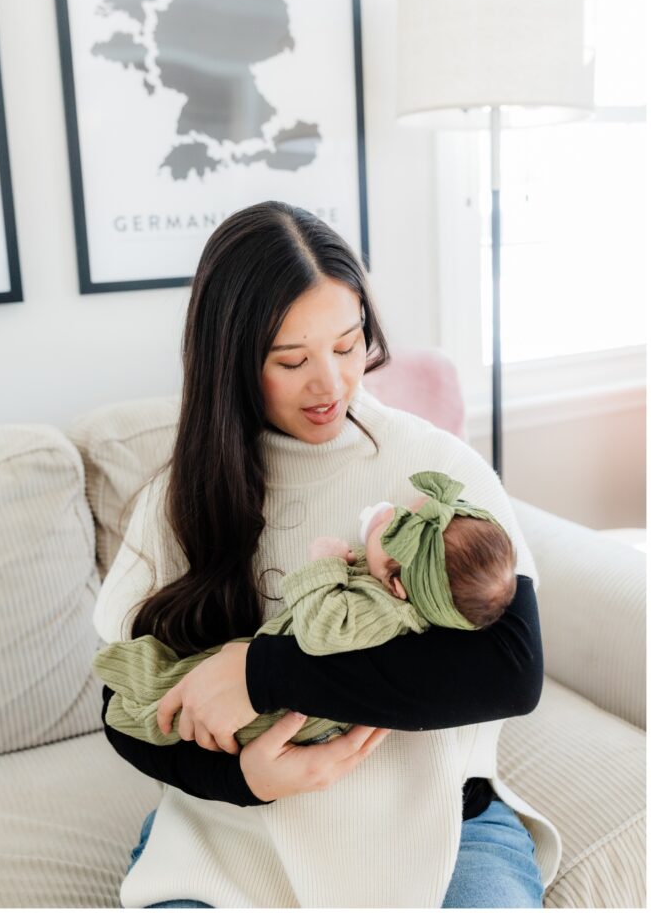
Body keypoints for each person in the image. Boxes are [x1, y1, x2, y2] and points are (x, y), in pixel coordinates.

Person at [94, 200, 559, 909]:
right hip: (234, 835)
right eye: (291, 361)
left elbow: (511, 670)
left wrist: (263, 673)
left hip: (440, 827)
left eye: (347, 346)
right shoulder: (181, 496)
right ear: (233, 364)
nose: (332, 385)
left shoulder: (433, 466)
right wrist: (244, 780)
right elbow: (120, 703)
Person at [95, 469, 517, 750]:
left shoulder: (384, 609)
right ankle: (142, 689)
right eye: (292, 360)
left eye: (399, 523)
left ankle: (143, 712)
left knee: (179, 707)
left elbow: (319, 631)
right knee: (191, 679)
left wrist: (326, 564)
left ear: (397, 585)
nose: (394, 509)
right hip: (268, 686)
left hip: (282, 716)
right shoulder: (406, 593)